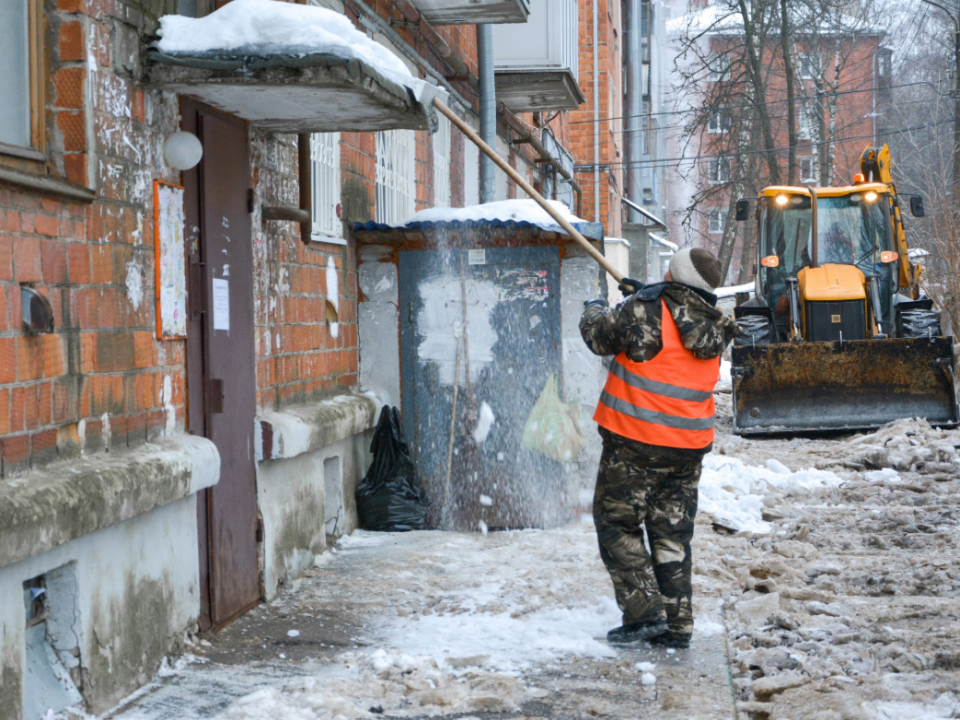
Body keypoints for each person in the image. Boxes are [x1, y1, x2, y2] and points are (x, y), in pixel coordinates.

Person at [579, 248, 738, 648]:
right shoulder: (714, 321)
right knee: (672, 534)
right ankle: (677, 626)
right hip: (688, 447)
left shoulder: (643, 310)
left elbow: (598, 336)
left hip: (636, 442)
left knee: (617, 524)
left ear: (676, 273)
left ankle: (644, 612)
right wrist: (643, 295)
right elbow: (670, 324)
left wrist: (597, 306)